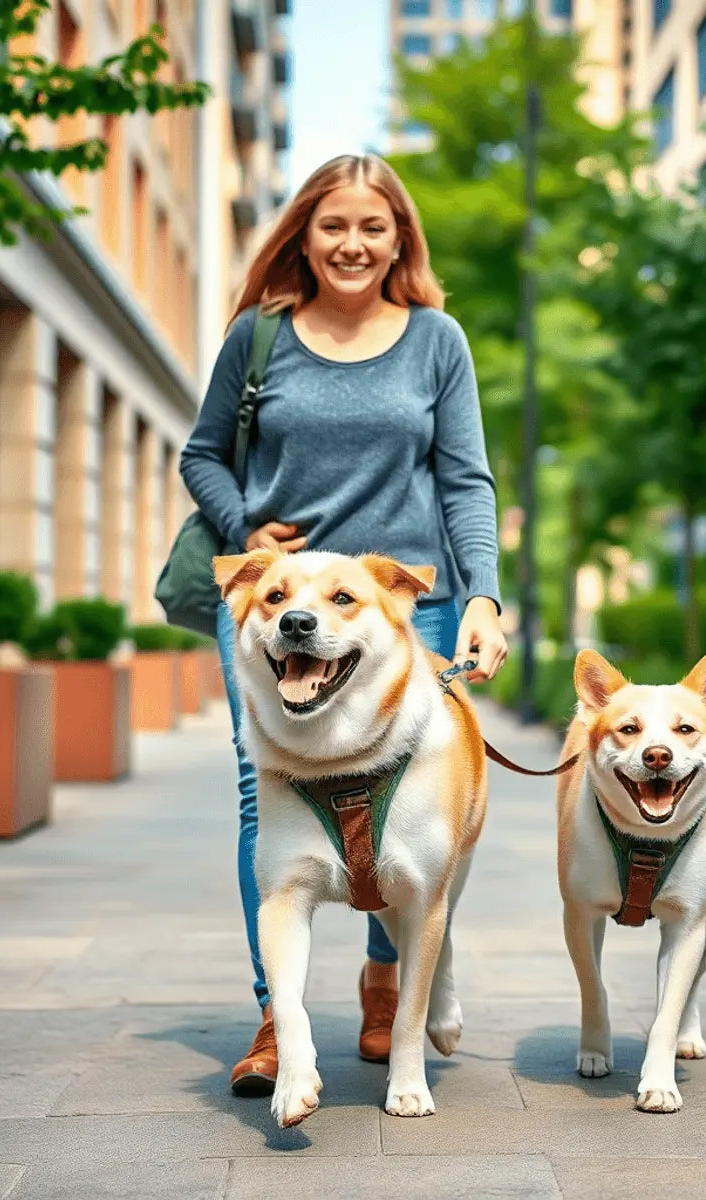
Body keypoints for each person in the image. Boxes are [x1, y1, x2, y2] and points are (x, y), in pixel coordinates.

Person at [179, 153, 507, 1096]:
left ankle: (382, 974)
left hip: (406, 606)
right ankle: (277, 1017)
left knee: (399, 802)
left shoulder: (436, 340)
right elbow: (203, 455)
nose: (353, 243)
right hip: (275, 601)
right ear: (304, 235)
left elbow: (465, 480)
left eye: (373, 227)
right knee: (262, 798)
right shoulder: (259, 338)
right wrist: (246, 529)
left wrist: (480, 594)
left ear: (400, 238)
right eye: (334, 226)